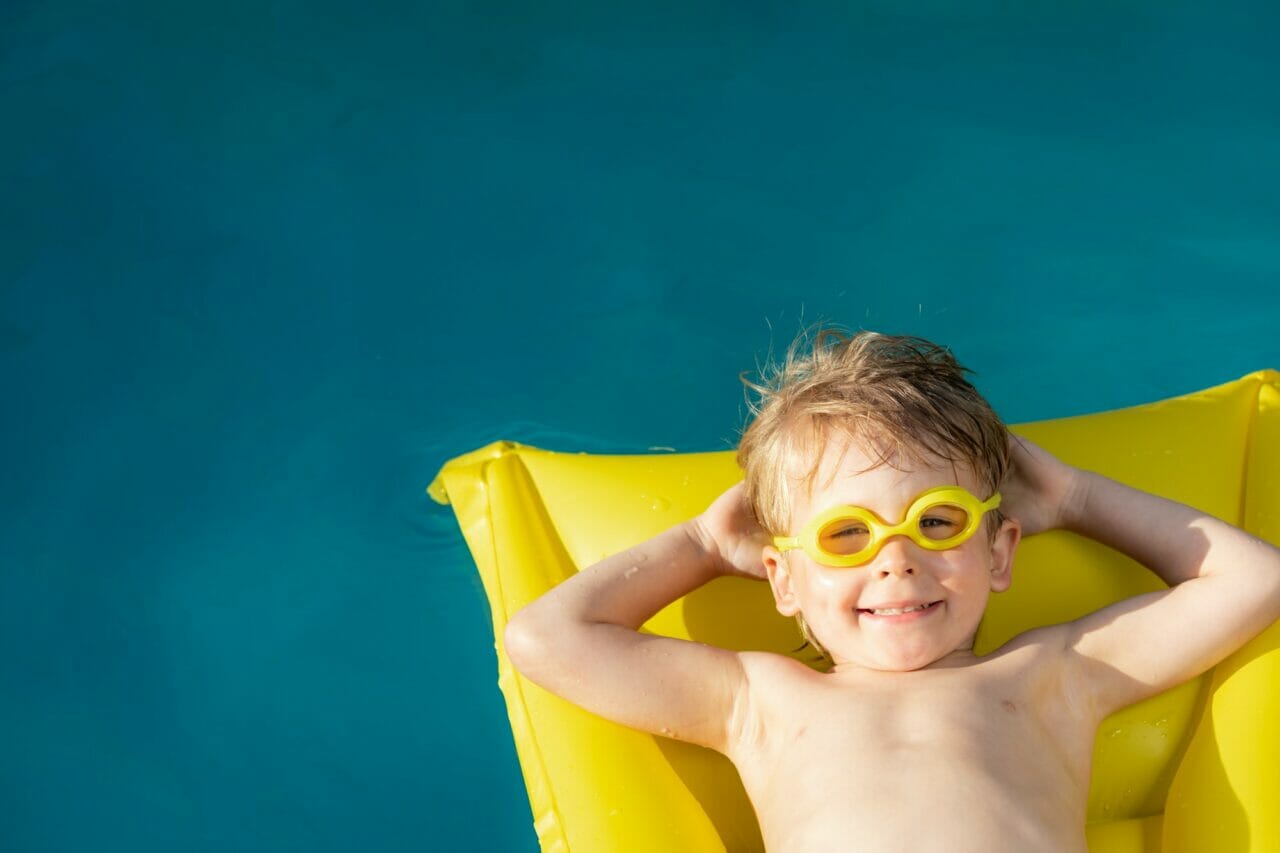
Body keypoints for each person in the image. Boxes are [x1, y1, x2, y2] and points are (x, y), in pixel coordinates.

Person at [503, 329, 1280, 852]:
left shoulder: (1056, 674)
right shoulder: (759, 699)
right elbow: (545, 638)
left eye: (936, 522)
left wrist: (1073, 497)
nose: (896, 561)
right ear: (783, 577)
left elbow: (1255, 579)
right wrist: (705, 544)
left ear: (1001, 548)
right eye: (847, 534)